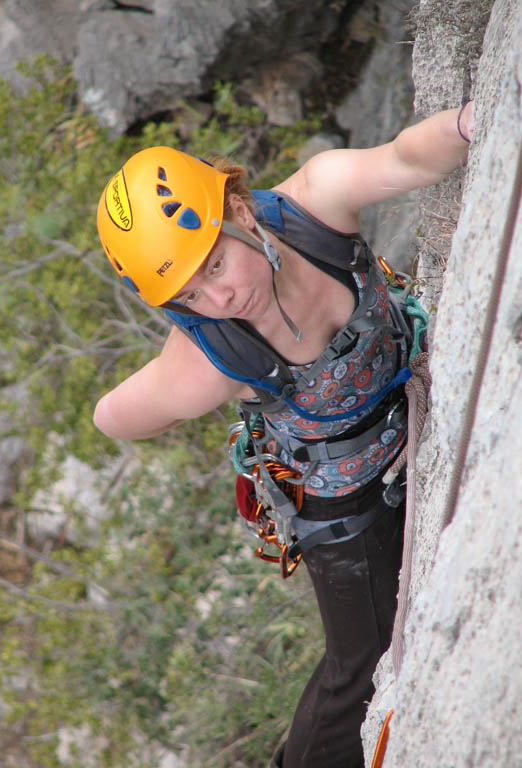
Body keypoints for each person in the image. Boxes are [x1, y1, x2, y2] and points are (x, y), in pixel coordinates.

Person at [93, 101, 474, 768]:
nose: (219, 301)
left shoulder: (315, 204)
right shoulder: (207, 359)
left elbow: (407, 159)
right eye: (186, 297)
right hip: (342, 511)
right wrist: (187, 367)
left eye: (214, 267)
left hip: (406, 415)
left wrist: (469, 123)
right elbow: (111, 417)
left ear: (239, 210)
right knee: (365, 663)